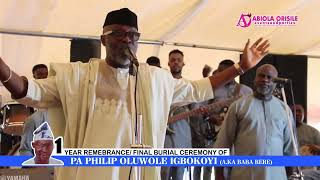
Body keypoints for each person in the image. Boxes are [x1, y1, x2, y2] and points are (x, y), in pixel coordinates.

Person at [0, 8, 269, 180]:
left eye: (133, 35)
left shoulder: (155, 79)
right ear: (103, 40)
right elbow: (28, 91)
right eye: (117, 34)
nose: (126, 40)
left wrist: (240, 67)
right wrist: (2, 70)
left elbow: (198, 88)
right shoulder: (78, 77)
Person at [214, 64, 295, 180]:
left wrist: (291, 175)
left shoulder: (284, 109)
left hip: (277, 176)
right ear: (254, 79)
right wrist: (219, 175)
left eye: (269, 78)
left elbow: (290, 149)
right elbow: (223, 144)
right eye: (261, 76)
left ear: (276, 83)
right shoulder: (239, 106)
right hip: (245, 175)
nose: (265, 80)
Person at [161, 49, 192, 180]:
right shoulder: (161, 83)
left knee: (179, 174)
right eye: (173, 60)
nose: (176, 63)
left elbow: (196, 111)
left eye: (179, 60)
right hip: (163, 136)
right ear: (168, 63)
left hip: (183, 135)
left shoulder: (189, 86)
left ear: (183, 63)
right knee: (163, 173)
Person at [19, 64, 49, 156]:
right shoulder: (32, 87)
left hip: (53, 112)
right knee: (32, 121)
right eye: (40, 74)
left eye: (46, 74)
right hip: (40, 114)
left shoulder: (53, 85)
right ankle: (27, 158)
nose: (44, 76)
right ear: (34, 76)